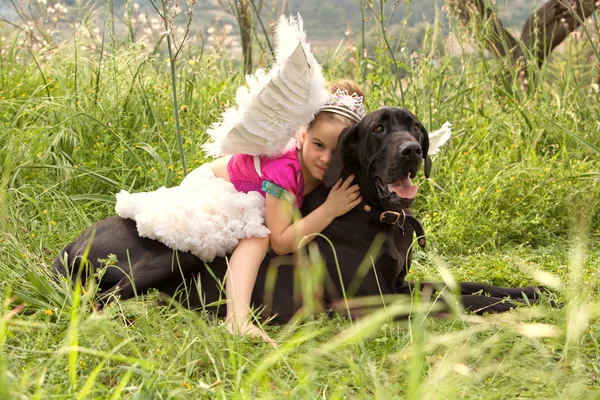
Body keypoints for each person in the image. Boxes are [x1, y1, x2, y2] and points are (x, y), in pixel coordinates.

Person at [205, 79, 366, 343]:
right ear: (302, 136)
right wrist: (329, 210)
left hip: (249, 195)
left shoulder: (318, 168)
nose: (326, 158)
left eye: (336, 152)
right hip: (216, 188)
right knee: (258, 236)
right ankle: (236, 320)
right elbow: (280, 242)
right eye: (318, 145)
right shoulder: (285, 170)